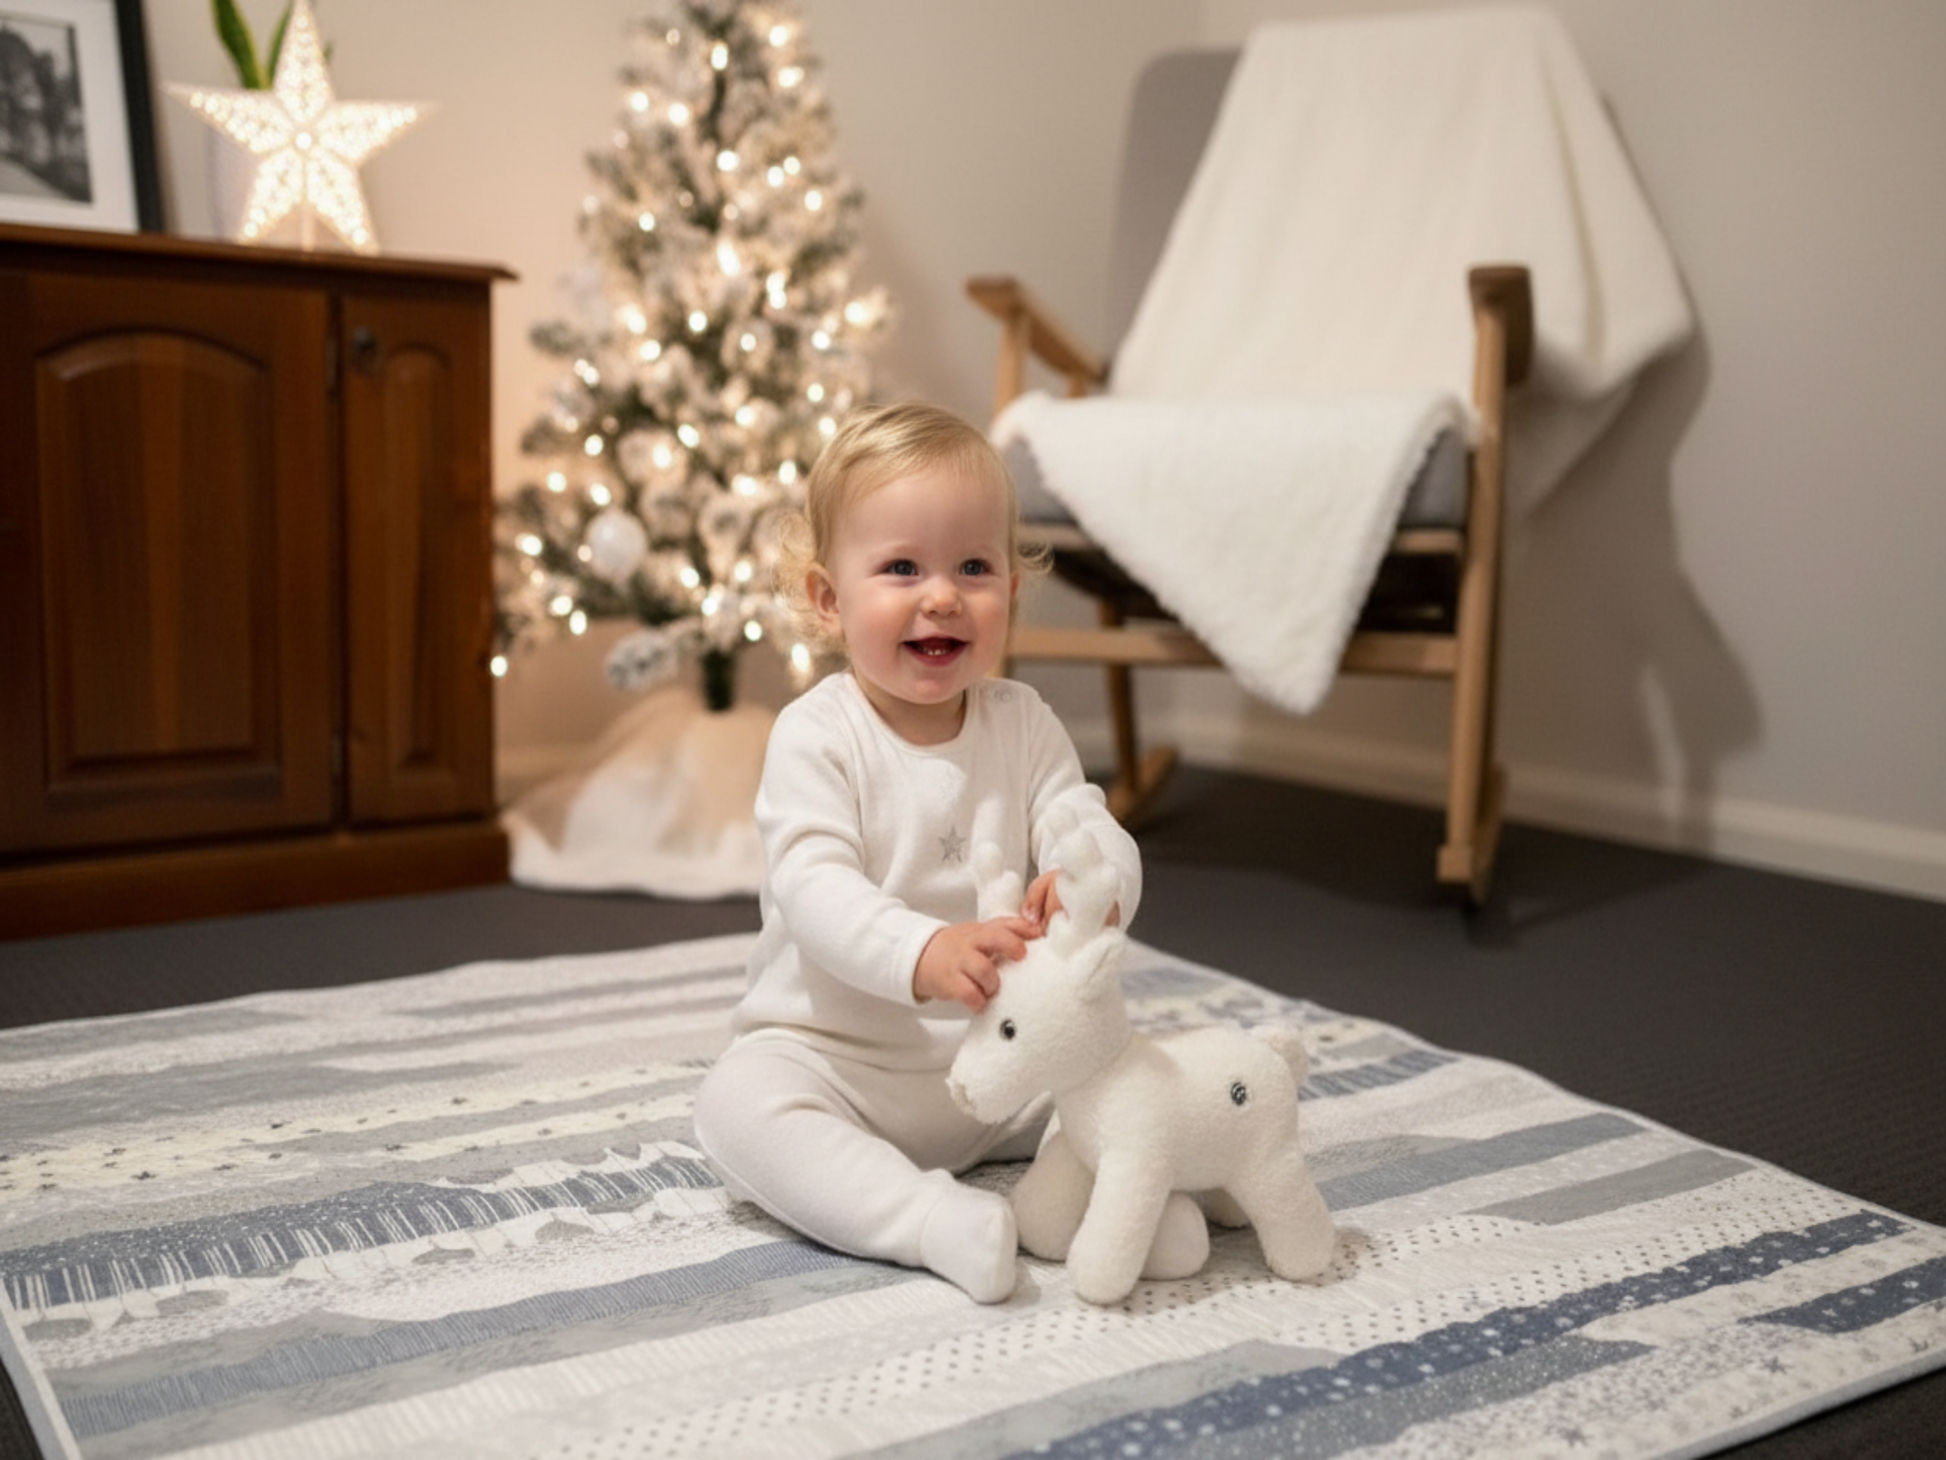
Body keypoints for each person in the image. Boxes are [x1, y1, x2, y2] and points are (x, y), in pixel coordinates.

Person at [691, 401, 1143, 1302]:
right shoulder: (817, 735)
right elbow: (813, 888)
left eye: (973, 567)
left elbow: (1083, 821)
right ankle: (925, 1219)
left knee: (1128, 1066)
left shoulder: (1024, 723)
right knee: (735, 1106)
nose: (941, 595)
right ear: (830, 599)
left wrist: (1093, 881)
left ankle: (1152, 1185)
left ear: (1010, 591)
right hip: (842, 1063)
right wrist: (922, 950)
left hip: (1003, 1060)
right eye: (902, 567)